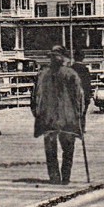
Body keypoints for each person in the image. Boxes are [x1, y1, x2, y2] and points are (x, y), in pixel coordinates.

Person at [31, 46, 85, 185]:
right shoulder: (71, 74)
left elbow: (34, 97)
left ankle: (54, 177)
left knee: (50, 150)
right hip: (67, 118)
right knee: (68, 149)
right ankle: (65, 177)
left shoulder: (42, 74)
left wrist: (37, 114)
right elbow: (79, 97)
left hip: (48, 118)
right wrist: (79, 114)